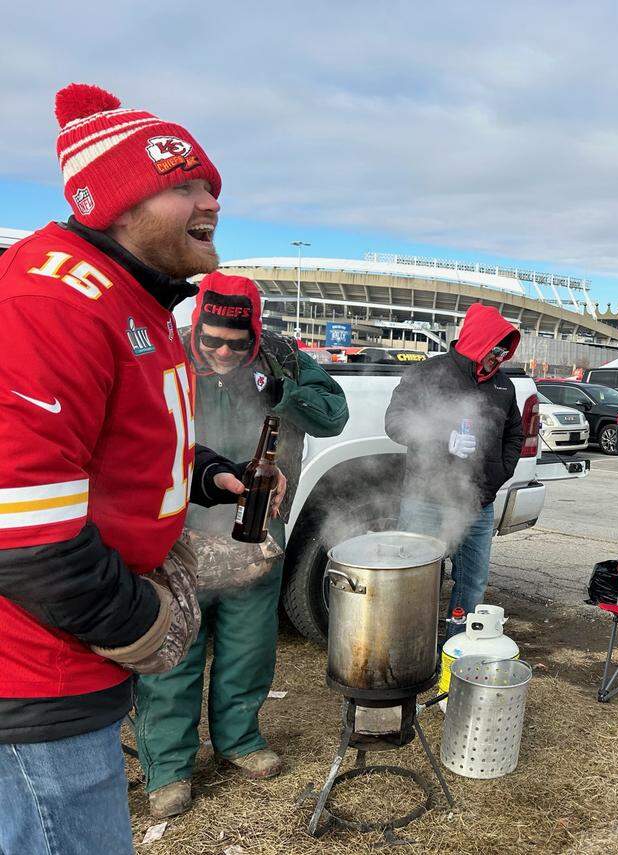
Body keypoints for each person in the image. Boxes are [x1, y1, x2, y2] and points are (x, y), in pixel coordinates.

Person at [0, 84, 259, 855]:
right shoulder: (50, 300)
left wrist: (205, 471)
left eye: (208, 182)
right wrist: (148, 626)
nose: (209, 198)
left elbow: (118, 441)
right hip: (37, 675)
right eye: (183, 184)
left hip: (69, 659)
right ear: (116, 202)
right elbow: (23, 533)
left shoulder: (132, 298)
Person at [132, 272, 349, 817]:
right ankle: (170, 767)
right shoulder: (163, 353)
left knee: (249, 648)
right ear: (197, 323)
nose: (224, 352)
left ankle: (239, 741)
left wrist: (286, 394)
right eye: (212, 340)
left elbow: (334, 415)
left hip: (256, 537)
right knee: (173, 654)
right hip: (178, 538)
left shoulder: (280, 360)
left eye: (236, 342)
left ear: (253, 331)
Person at [385, 303, 523, 633]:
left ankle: (454, 651)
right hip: (426, 500)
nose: (501, 356)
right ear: (477, 341)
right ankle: (410, 654)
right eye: (496, 347)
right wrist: (443, 439)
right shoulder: (427, 373)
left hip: (477, 505)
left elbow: (515, 433)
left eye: (506, 349)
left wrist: (500, 471)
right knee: (416, 581)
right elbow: (395, 422)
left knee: (472, 585)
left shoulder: (504, 386)